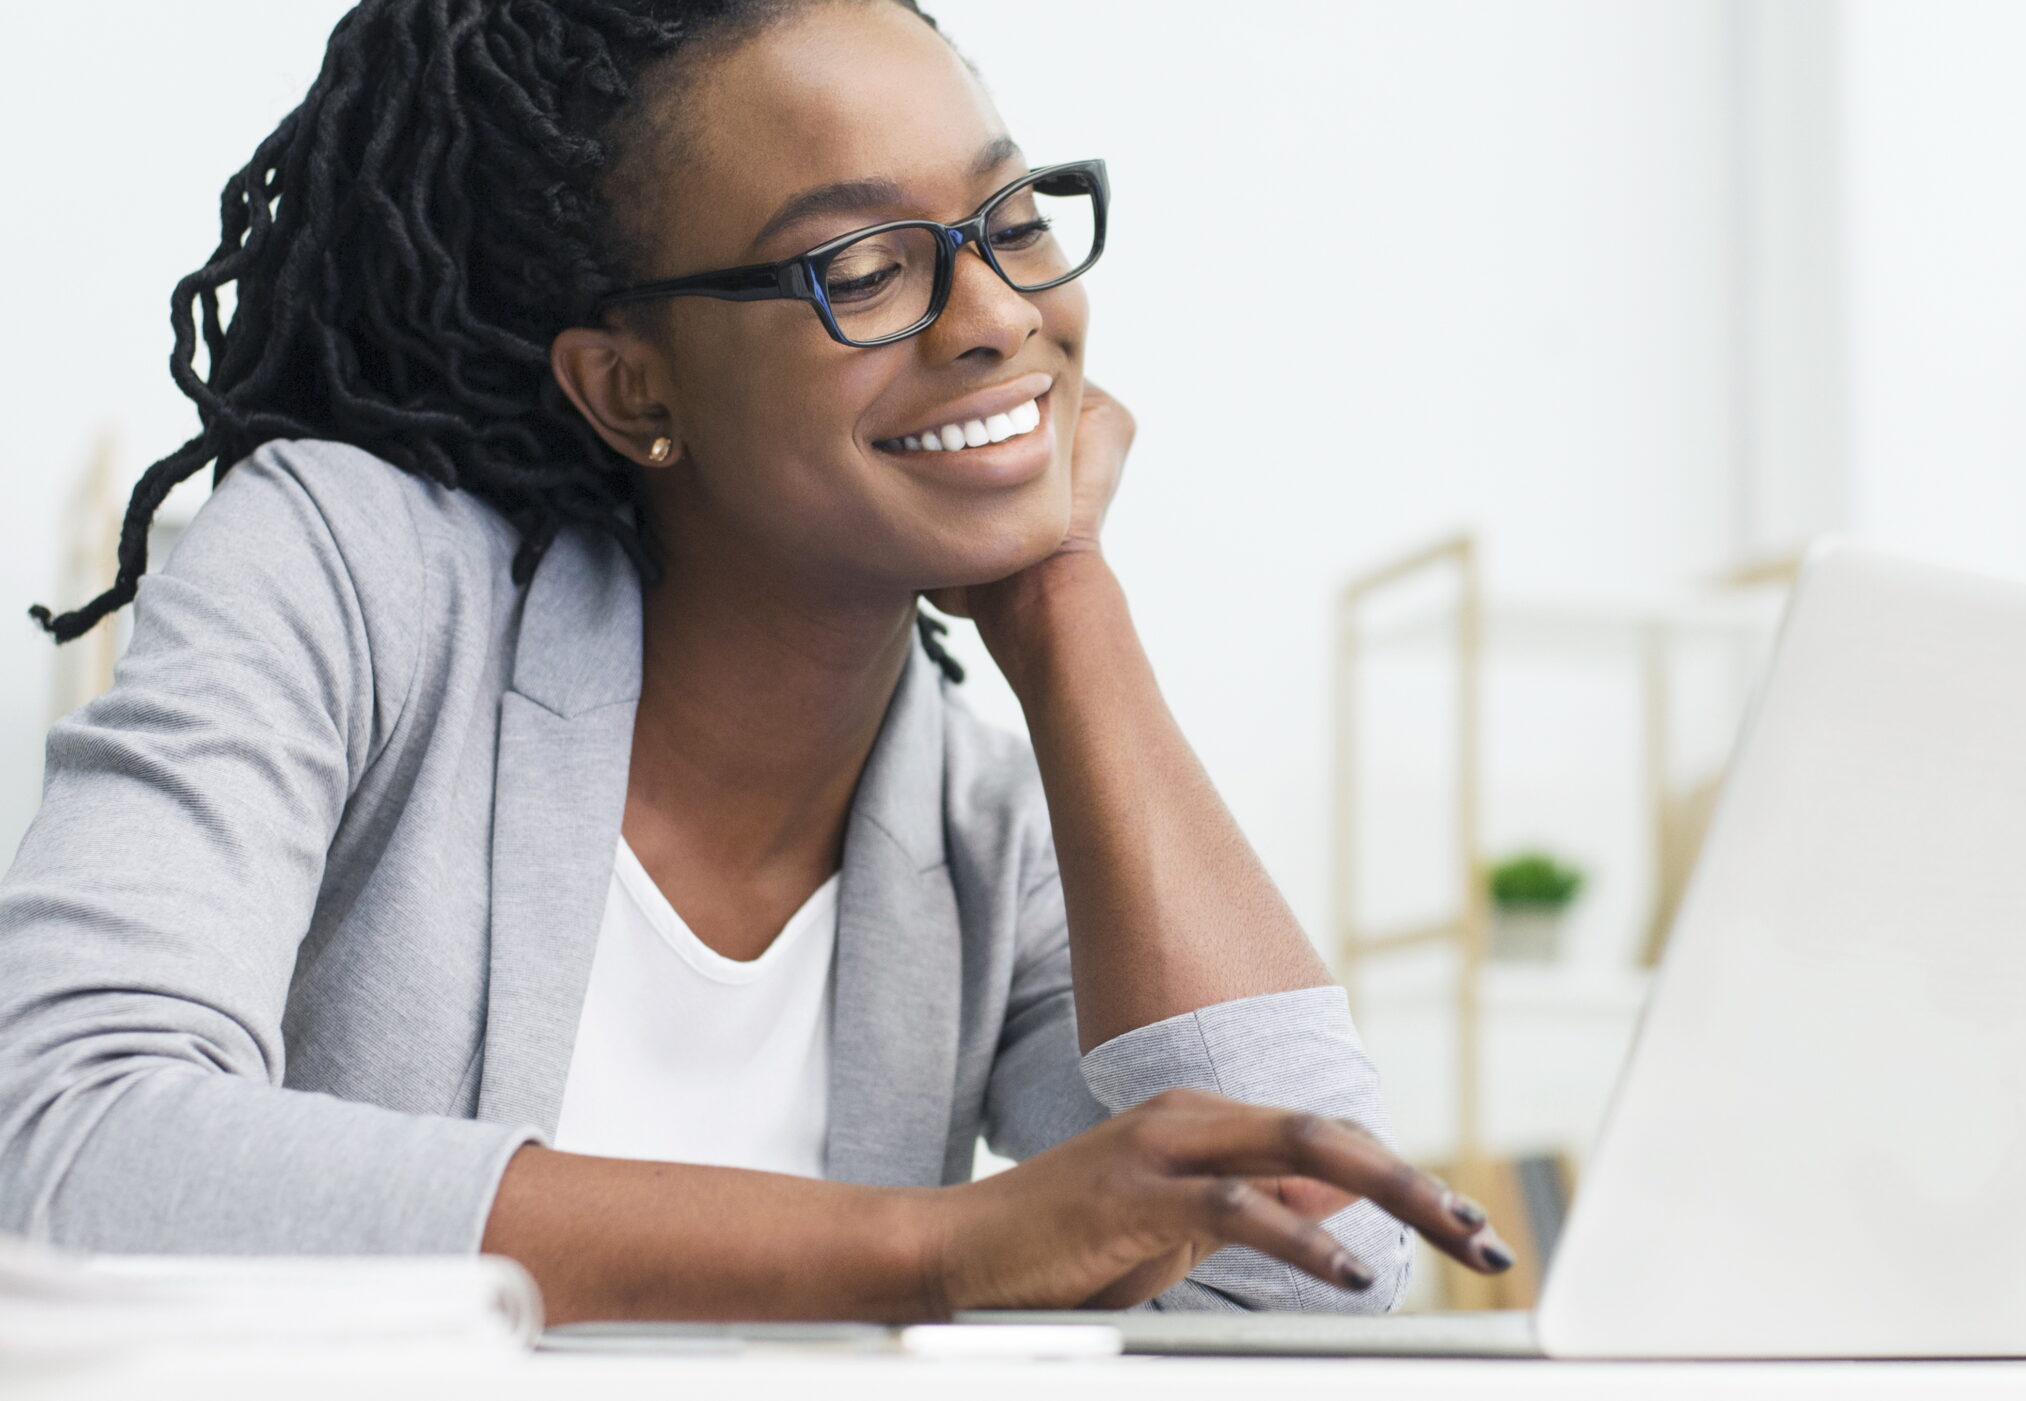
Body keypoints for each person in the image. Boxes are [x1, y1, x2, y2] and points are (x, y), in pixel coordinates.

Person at [0, 0, 1510, 1322]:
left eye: (1014, 222)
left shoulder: (981, 824)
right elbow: (63, 1140)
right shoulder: (352, 570)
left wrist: (1066, 609)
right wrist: (930, 1250)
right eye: (859, 264)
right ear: (631, 386)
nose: (993, 318)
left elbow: (1317, 1258)